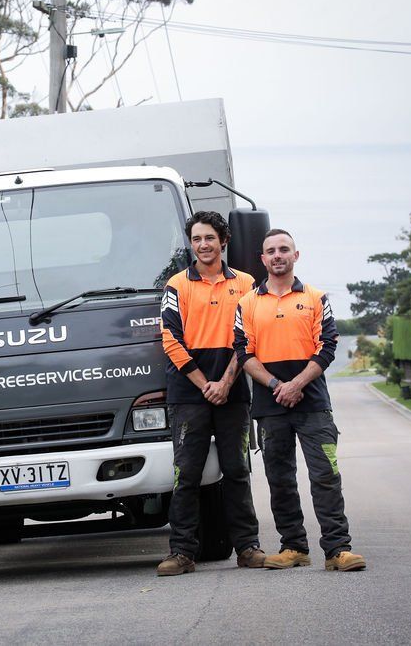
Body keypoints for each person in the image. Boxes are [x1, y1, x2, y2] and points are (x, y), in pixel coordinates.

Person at [232, 229, 366, 572]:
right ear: (262, 259)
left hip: (314, 404)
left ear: (296, 255)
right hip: (270, 405)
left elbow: (328, 346)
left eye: (284, 249)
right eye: (271, 251)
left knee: (325, 476)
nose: (277, 255)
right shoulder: (247, 303)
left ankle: (338, 550)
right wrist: (279, 384)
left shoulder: (316, 297)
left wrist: (297, 384)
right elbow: (243, 351)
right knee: (280, 479)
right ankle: (293, 547)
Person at [156, 211, 264, 576]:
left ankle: (248, 547)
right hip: (189, 395)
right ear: (191, 243)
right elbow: (170, 340)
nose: (203, 245)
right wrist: (206, 385)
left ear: (224, 241)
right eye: (197, 239)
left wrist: (226, 383)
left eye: (209, 238)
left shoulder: (247, 284)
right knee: (185, 475)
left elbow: (249, 337)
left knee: (237, 471)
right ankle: (182, 552)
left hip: (233, 393)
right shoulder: (177, 285)